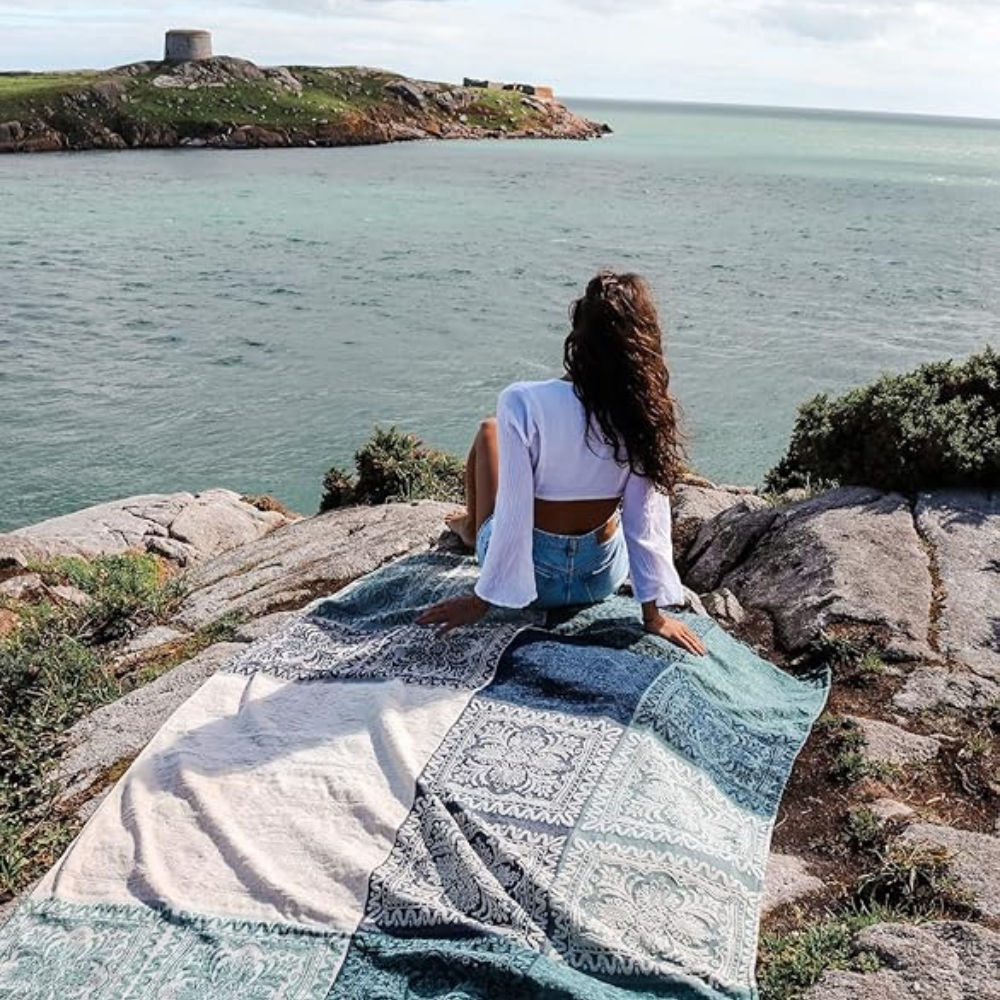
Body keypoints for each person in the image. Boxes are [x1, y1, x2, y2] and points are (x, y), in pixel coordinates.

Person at [416, 270, 706, 657]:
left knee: (489, 431)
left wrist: (482, 599)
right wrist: (654, 617)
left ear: (578, 336)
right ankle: (475, 528)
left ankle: (471, 529)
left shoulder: (523, 402)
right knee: (613, 519)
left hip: (532, 580)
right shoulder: (642, 415)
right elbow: (646, 520)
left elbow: (515, 510)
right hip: (598, 578)